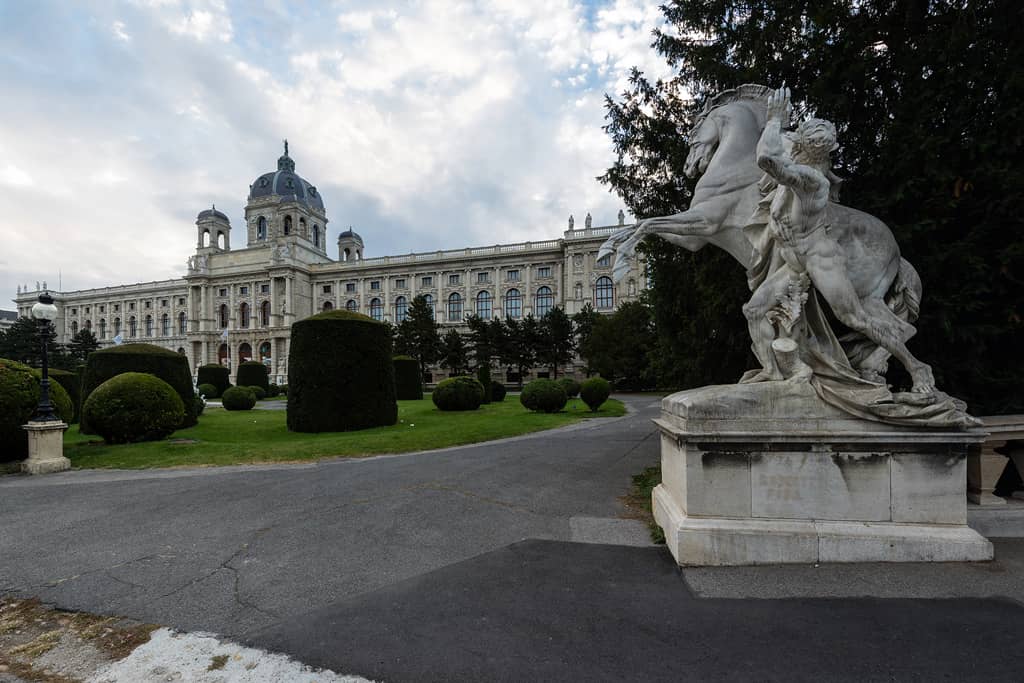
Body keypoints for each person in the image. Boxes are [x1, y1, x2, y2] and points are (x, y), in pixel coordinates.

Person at [742, 87, 934, 393]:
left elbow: (766, 158)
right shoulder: (797, 172)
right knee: (753, 310)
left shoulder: (810, 180)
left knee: (854, 317)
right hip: (795, 263)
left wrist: (774, 120)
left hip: (820, 258)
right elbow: (776, 164)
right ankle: (773, 375)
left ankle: (918, 369)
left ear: (808, 144)